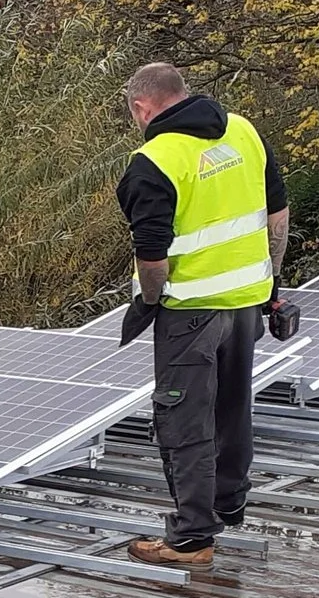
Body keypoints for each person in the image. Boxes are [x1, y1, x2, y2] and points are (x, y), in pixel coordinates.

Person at [113, 62, 289, 567]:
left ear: (141, 107)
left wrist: (150, 300)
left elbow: (152, 253)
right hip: (246, 305)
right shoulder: (244, 132)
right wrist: (271, 284)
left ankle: (192, 539)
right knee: (233, 409)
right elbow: (277, 214)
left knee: (183, 421)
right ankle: (227, 504)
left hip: (190, 313)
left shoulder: (155, 161)